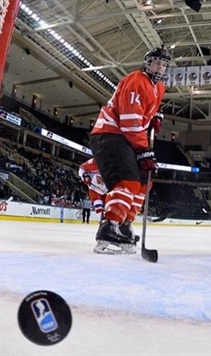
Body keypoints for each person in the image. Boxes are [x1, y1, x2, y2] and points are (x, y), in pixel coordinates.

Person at [89, 46, 171, 254]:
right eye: (156, 62)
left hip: (126, 137)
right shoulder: (136, 81)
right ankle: (109, 227)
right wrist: (144, 150)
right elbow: (130, 121)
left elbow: (147, 110)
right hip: (110, 134)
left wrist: (155, 117)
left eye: (163, 64)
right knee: (127, 182)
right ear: (147, 63)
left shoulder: (159, 87)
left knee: (144, 182)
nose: (159, 67)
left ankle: (124, 225)